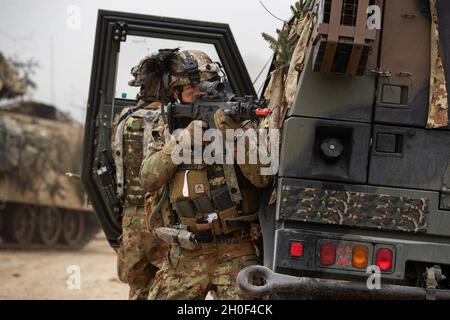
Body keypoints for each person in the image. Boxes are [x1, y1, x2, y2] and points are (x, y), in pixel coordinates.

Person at [140, 49, 271, 299]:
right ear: (176, 94)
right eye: (192, 90)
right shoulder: (167, 128)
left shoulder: (235, 120)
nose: (201, 94)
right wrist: (183, 141)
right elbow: (148, 178)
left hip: (236, 248)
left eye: (206, 87)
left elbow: (262, 178)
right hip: (187, 250)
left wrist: (235, 134)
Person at [112, 54, 170, 300]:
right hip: (162, 216)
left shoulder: (123, 119)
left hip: (131, 219)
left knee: (137, 290)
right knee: (167, 286)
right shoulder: (171, 118)